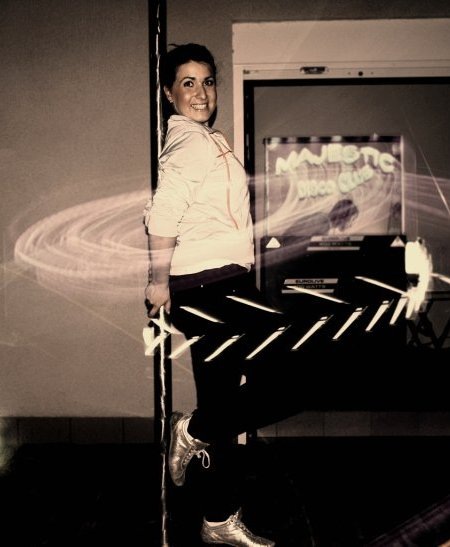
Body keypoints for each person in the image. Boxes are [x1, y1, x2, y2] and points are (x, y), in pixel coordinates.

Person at [143, 42, 285, 546]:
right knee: (283, 381)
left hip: (223, 281)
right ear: (169, 93)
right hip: (210, 285)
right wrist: (158, 281)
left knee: (226, 400)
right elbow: (163, 215)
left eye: (207, 81)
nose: (201, 92)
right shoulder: (190, 143)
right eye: (188, 83)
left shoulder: (209, 139)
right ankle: (195, 431)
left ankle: (219, 517)